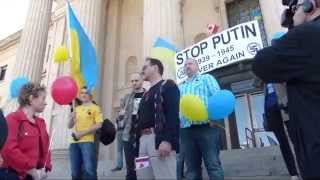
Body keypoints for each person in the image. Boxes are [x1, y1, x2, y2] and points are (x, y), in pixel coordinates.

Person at [252, 0, 320, 178]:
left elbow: (261, 63)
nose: (293, 12)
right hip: (276, 110)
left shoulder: (307, 35)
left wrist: (295, 27)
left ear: (310, 6)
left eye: (296, 8)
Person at [179, 58, 224, 180]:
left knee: (213, 165)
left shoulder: (206, 79)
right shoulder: (181, 86)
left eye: (190, 63)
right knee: (192, 170)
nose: (187, 66)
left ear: (197, 67)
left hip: (206, 128)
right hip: (186, 130)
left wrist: (215, 117)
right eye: (185, 64)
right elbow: (178, 107)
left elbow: (217, 96)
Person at [136, 57, 180, 179]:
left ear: (155, 68)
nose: (142, 71)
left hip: (158, 139)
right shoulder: (146, 93)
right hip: (143, 142)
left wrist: (167, 140)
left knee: (165, 176)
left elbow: (172, 114)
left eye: (145, 67)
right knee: (143, 177)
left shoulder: (168, 86)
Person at [0, 83, 52, 180]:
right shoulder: (13, 118)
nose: (45, 103)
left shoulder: (41, 123)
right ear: (31, 99)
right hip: (12, 174)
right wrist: (30, 168)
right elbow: (9, 149)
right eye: (43, 98)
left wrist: (46, 167)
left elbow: (46, 149)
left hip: (34, 176)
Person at [68, 86, 103, 180]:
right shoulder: (77, 108)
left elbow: (99, 125)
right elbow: (69, 126)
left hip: (87, 142)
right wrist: (71, 117)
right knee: (75, 172)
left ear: (90, 96)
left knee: (88, 171)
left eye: (86, 93)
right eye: (82, 93)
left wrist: (82, 133)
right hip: (73, 143)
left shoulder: (95, 108)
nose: (83, 94)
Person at [118, 73, 145, 180]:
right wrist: (120, 116)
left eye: (136, 80)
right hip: (128, 135)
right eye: (132, 81)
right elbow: (119, 120)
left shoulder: (148, 95)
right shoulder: (127, 98)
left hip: (143, 136)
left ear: (142, 80)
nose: (134, 83)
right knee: (130, 167)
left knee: (142, 166)